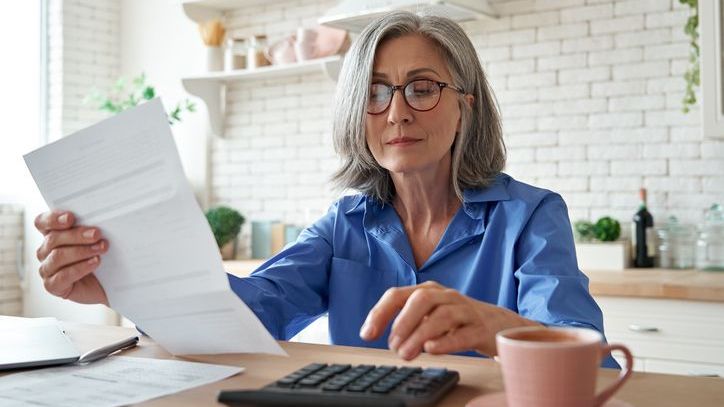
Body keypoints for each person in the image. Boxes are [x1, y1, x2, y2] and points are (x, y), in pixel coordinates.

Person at [33, 11, 618, 368]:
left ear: (464, 107)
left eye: (421, 88)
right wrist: (122, 282)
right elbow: (251, 313)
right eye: (375, 92)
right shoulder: (345, 223)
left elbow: (588, 356)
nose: (396, 113)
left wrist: (494, 327)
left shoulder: (531, 216)